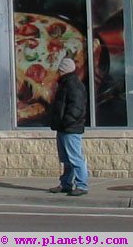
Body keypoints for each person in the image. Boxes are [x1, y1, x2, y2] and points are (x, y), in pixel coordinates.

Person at [49, 57, 89, 196]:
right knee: (66, 159)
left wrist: (67, 121)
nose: (57, 72)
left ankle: (82, 185)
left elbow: (76, 108)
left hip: (70, 128)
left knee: (75, 157)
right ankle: (66, 183)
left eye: (60, 70)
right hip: (63, 127)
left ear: (64, 70)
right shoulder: (65, 84)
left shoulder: (73, 85)